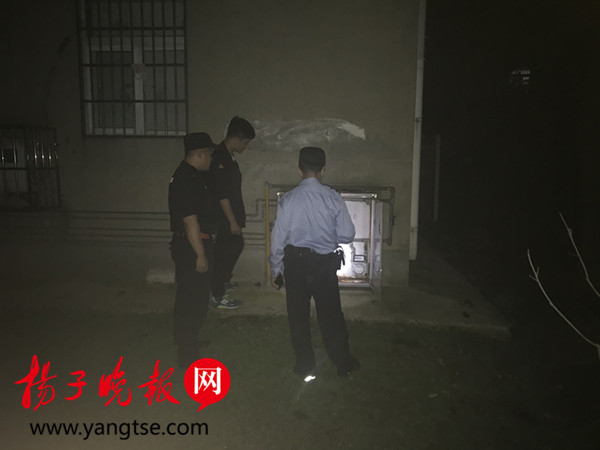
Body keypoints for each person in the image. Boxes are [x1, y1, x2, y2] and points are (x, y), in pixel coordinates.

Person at [269, 146, 360, 380]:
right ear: (323, 170)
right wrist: (327, 234)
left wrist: (276, 268)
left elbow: (278, 238)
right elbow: (347, 234)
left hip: (295, 265)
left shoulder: (288, 199)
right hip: (323, 266)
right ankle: (343, 363)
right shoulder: (332, 197)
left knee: (297, 317)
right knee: (331, 316)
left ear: (299, 170)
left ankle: (305, 367)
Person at [168, 132, 218, 368]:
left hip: (193, 243)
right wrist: (200, 254)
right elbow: (190, 222)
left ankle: (186, 341)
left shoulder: (192, 176)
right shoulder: (185, 180)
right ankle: (187, 354)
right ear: (200, 154)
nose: (211, 159)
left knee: (188, 297)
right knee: (194, 301)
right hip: (192, 246)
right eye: (209, 154)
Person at [209, 116, 256, 309]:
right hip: (223, 217)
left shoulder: (228, 157)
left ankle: (220, 281)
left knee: (231, 248)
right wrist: (232, 222)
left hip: (230, 215)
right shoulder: (219, 158)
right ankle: (217, 294)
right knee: (225, 252)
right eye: (245, 142)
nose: (245, 146)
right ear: (235, 139)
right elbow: (222, 195)